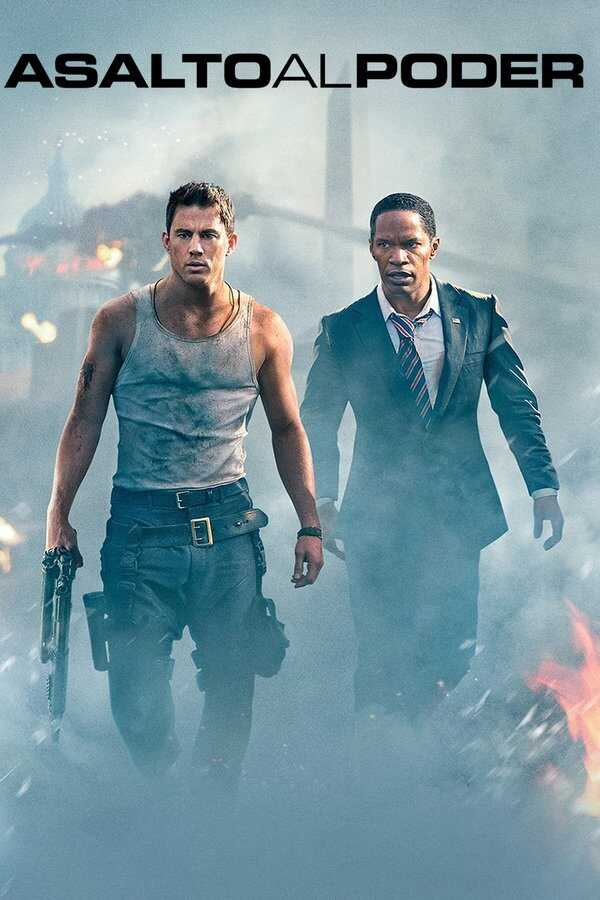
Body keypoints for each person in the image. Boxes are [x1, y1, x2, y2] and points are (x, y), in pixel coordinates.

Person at [45, 181, 323, 792]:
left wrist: (310, 524)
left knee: (232, 678)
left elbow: (287, 428)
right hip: (142, 531)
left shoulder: (264, 328)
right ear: (167, 241)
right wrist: (58, 513)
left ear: (230, 242)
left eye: (209, 235)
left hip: (228, 528)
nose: (197, 247)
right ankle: (163, 789)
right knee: (135, 692)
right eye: (185, 235)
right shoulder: (119, 321)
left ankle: (212, 806)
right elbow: (85, 417)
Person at [300, 192, 563, 720]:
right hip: (375, 521)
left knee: (451, 656)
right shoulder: (343, 329)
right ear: (371, 249)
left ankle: (428, 755)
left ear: (433, 247)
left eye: (410, 244)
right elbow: (316, 422)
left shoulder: (478, 315)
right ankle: (381, 758)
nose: (397, 257)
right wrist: (321, 504)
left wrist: (543, 486)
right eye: (385, 245)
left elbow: (516, 406)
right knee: (380, 658)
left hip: (455, 517)